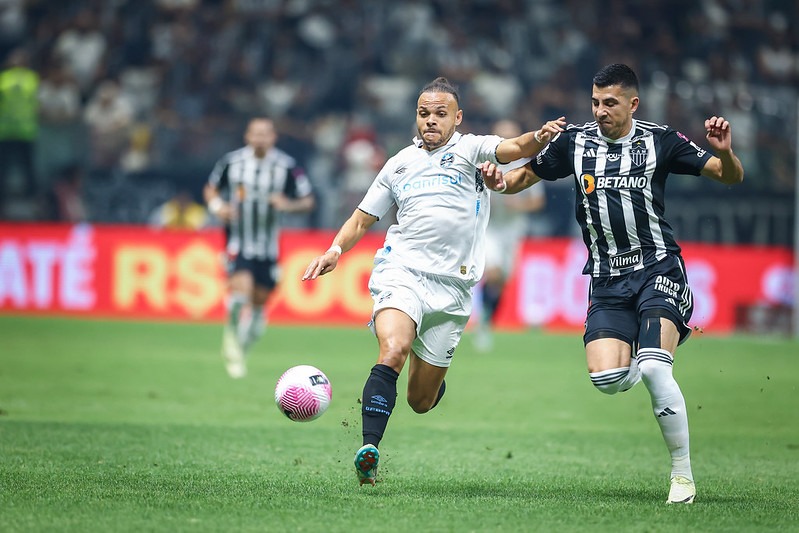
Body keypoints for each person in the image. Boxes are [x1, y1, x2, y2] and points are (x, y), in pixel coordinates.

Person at [480, 64, 744, 504]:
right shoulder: (574, 142)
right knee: (607, 378)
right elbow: (522, 179)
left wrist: (727, 152)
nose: (600, 111)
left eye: (610, 103)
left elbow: (729, 175)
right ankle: (659, 341)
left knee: (658, 369)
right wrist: (499, 181)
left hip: (657, 268)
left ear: (632, 104)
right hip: (605, 279)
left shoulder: (660, 140)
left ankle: (682, 475)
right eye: (595, 102)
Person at [302, 77, 564, 486]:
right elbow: (361, 219)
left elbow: (515, 149)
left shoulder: (472, 148)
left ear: (457, 118)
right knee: (393, 349)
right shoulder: (398, 163)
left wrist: (541, 136)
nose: (430, 121)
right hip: (401, 271)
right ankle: (369, 450)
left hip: (454, 290)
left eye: (440, 114)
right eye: (424, 113)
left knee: (420, 401)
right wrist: (335, 250)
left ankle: (429, 381)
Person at [205, 117, 315, 378]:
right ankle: (231, 337)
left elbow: (308, 201)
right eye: (256, 134)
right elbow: (211, 189)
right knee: (240, 293)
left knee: (258, 308)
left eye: (265, 134)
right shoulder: (231, 163)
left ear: (273, 137)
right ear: (247, 136)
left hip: (268, 247)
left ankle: (238, 350)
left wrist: (287, 205)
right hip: (238, 241)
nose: (260, 139)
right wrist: (218, 207)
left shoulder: (286, 166)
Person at [473, 119, 548, 352]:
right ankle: (481, 326)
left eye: (510, 137)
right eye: (501, 137)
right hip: (490, 228)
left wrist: (519, 206)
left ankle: (486, 320)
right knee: (493, 273)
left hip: (513, 231)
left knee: (503, 280)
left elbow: (537, 201)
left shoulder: (525, 165)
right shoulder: (485, 165)